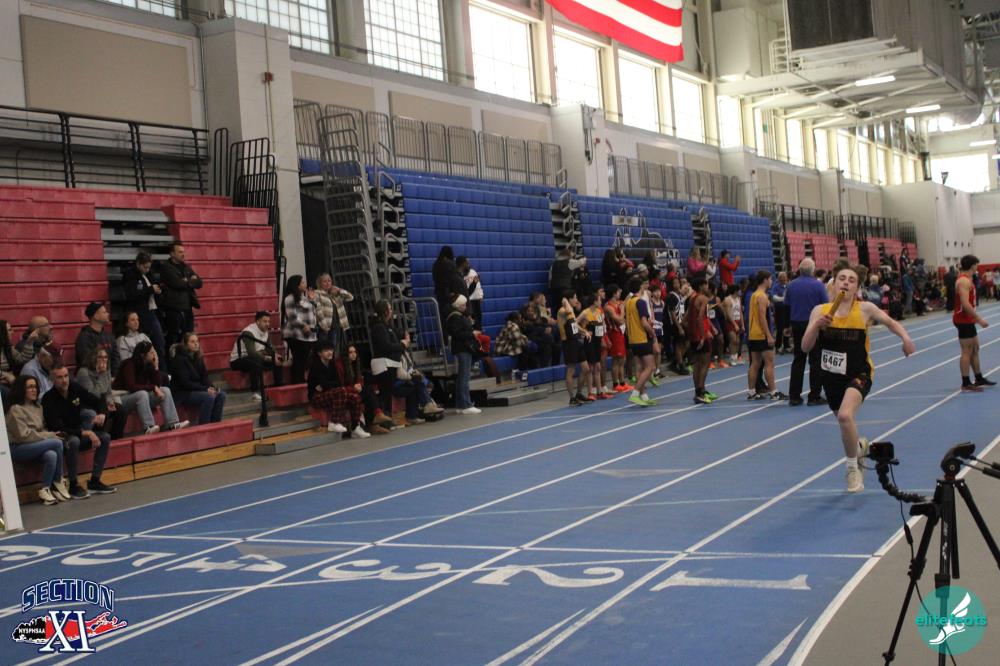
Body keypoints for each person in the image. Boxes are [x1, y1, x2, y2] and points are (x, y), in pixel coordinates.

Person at [802, 265, 916, 493]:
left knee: (845, 415)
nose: (846, 282)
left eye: (851, 280)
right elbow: (805, 347)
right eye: (841, 278)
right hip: (831, 376)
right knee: (845, 423)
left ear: (857, 287)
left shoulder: (865, 309)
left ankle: (852, 469)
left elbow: (891, 322)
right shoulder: (819, 311)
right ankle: (859, 448)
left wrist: (905, 338)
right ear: (834, 284)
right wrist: (816, 326)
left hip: (859, 373)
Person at [42, 364, 115, 498]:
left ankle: (94, 481)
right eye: (59, 377)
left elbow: (98, 401)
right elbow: (58, 427)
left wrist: (102, 413)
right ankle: (73, 484)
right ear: (52, 380)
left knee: (105, 437)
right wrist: (85, 433)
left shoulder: (74, 388)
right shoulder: (48, 399)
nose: (64, 380)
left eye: (66, 376)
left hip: (79, 432)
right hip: (60, 439)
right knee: (74, 441)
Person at [5, 375, 69, 505]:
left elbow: (41, 429)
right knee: (57, 442)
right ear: (21, 389)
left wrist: (50, 434)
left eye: (35, 387)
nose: (34, 390)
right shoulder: (15, 409)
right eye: (30, 387)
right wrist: (50, 435)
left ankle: (45, 489)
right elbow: (23, 436)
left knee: (51, 455)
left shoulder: (38, 407)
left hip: (34, 445)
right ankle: (58, 481)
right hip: (17, 447)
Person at [113, 341, 190, 432]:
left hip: (140, 398)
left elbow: (157, 385)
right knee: (142, 394)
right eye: (151, 352)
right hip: (122, 398)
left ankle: (172, 423)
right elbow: (131, 387)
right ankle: (149, 427)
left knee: (165, 390)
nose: (154, 354)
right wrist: (153, 387)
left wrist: (156, 367)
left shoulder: (148, 365)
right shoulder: (129, 364)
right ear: (143, 355)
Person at [784, 258, 828, 407]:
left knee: (798, 359)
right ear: (813, 270)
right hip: (813, 325)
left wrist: (787, 325)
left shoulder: (791, 285)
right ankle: (814, 396)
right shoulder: (818, 285)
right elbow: (825, 306)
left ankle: (794, 396)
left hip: (796, 324)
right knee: (815, 360)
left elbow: (786, 306)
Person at [308, 341, 369, 437]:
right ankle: (334, 422)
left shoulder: (332, 364)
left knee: (354, 397)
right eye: (326, 350)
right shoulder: (315, 366)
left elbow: (337, 383)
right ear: (319, 353)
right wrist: (327, 385)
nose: (330, 352)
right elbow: (326, 384)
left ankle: (355, 427)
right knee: (342, 391)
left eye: (331, 350)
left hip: (329, 393)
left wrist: (325, 385)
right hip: (316, 397)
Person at [953, 255, 995, 392]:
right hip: (963, 319)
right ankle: (965, 382)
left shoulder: (967, 279)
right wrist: (979, 319)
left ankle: (978, 378)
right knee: (967, 351)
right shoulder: (963, 281)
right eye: (976, 264)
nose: (977, 267)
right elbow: (965, 304)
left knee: (975, 348)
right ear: (972, 266)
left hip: (967, 319)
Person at [122, 251, 167, 368]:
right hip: (140, 313)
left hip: (152, 311)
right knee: (146, 346)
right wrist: (150, 290)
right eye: (145, 267)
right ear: (138, 264)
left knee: (159, 342)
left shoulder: (149, 275)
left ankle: (161, 371)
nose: (147, 269)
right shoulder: (130, 275)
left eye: (149, 267)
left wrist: (158, 291)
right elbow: (131, 294)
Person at [170, 333, 227, 425]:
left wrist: (212, 388)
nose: (196, 344)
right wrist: (205, 389)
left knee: (221, 395)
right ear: (185, 344)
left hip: (196, 389)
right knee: (209, 397)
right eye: (192, 342)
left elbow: (205, 377)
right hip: (183, 393)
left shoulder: (198, 358)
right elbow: (185, 383)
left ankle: (215, 425)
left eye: (197, 341)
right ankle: (204, 426)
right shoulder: (179, 359)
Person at [747, 271, 786, 401]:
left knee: (755, 363)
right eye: (770, 279)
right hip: (762, 334)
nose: (771, 282)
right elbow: (762, 317)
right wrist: (769, 335)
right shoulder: (762, 296)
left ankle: (751, 391)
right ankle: (774, 392)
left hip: (753, 334)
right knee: (769, 363)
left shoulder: (753, 295)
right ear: (765, 280)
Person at [338, 344, 394, 434]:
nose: (353, 354)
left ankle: (374, 424)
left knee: (369, 392)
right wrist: (353, 388)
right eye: (350, 352)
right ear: (345, 354)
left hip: (355, 390)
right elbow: (340, 383)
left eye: (355, 352)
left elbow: (359, 378)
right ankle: (376, 416)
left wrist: (359, 385)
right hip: (345, 392)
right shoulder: (340, 365)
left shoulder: (356, 363)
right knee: (368, 392)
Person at [230, 311, 284, 401]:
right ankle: (255, 392)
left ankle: (278, 388)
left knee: (278, 360)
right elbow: (251, 352)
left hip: (255, 357)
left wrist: (275, 356)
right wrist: (268, 358)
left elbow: (270, 348)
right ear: (258, 322)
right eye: (265, 321)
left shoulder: (265, 331)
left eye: (268, 321)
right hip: (238, 360)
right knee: (255, 360)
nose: (267, 324)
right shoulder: (248, 332)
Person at [76, 349, 127, 440]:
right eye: (100, 357)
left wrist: (110, 402)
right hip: (88, 405)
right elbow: (93, 395)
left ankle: (116, 439)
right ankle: (100, 438)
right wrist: (101, 375)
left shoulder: (106, 370)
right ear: (93, 358)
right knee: (102, 411)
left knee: (120, 410)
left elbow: (108, 392)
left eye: (105, 357)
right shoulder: (83, 372)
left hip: (102, 402)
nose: (103, 360)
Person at [160, 242, 203, 348]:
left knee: (189, 337)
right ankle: (172, 357)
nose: (183, 254)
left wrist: (186, 280)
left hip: (187, 308)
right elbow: (177, 283)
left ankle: (187, 357)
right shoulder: (166, 267)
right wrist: (190, 280)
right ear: (172, 254)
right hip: (174, 309)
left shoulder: (186, 267)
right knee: (174, 338)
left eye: (183, 252)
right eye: (180, 252)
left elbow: (199, 282)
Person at [624, 276, 658, 407]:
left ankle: (643, 396)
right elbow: (644, 323)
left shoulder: (628, 302)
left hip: (632, 339)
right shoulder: (641, 302)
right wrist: (652, 331)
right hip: (642, 338)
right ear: (640, 287)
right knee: (650, 366)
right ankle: (635, 393)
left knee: (639, 367)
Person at [445, 295, 482, 414]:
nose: (465, 306)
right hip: (462, 348)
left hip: (463, 348)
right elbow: (457, 334)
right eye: (463, 305)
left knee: (462, 377)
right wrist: (472, 334)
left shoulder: (458, 316)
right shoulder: (455, 317)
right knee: (464, 377)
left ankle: (461, 405)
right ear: (458, 305)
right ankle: (466, 404)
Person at [282, 274, 318, 384]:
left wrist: (312, 300)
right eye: (302, 282)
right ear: (296, 285)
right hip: (296, 334)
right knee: (299, 360)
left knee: (305, 360)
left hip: (308, 334)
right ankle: (297, 382)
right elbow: (292, 316)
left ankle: (301, 381)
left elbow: (312, 312)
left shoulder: (304, 297)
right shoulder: (290, 298)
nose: (305, 284)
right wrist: (303, 325)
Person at [557, 290, 591, 406]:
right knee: (571, 370)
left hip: (577, 341)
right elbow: (567, 312)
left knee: (586, 369)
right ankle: (571, 398)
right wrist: (566, 302)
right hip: (569, 343)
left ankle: (579, 393)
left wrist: (584, 332)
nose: (577, 300)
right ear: (569, 299)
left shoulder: (570, 310)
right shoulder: (563, 311)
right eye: (575, 298)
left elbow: (574, 325)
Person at [686, 278, 715, 404]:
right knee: (705, 363)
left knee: (697, 364)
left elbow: (686, 317)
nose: (708, 287)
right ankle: (701, 392)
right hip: (700, 334)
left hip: (693, 335)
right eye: (706, 284)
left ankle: (698, 392)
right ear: (701, 286)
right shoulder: (704, 299)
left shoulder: (692, 298)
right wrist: (703, 336)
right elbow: (700, 318)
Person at [579, 291, 612, 400]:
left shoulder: (599, 312)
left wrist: (602, 339)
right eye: (599, 300)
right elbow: (574, 323)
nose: (601, 301)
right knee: (590, 367)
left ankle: (599, 391)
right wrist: (584, 332)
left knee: (598, 367)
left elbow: (601, 327)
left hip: (597, 342)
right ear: (594, 301)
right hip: (589, 342)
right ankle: (590, 393)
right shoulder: (585, 312)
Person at [75, 302, 120, 376]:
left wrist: (114, 376)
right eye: (104, 312)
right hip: (91, 377)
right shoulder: (84, 337)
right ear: (96, 316)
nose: (108, 314)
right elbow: (87, 361)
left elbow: (116, 359)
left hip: (108, 377)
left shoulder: (109, 336)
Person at [313, 273, 354, 354]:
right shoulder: (317, 293)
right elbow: (318, 310)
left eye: (329, 281)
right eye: (325, 281)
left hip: (335, 326)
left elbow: (350, 297)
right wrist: (324, 326)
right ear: (320, 283)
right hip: (323, 327)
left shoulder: (334, 293)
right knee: (323, 349)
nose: (328, 283)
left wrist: (339, 290)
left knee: (333, 349)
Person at [603, 284, 630, 392]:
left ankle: (622, 382)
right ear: (614, 293)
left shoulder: (619, 303)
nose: (620, 293)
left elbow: (623, 319)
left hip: (620, 333)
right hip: (614, 334)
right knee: (616, 359)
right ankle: (615, 384)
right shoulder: (608, 307)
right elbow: (619, 319)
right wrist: (622, 310)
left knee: (623, 358)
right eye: (618, 292)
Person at [433, 246, 468, 324]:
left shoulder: (435, 265)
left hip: (440, 295)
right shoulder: (450, 264)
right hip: (451, 295)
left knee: (443, 319)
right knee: (455, 318)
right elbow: (453, 279)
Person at [549, 248, 586, 312]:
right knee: (566, 307)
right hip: (565, 288)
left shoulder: (554, 263)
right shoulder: (569, 262)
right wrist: (583, 258)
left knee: (559, 307)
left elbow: (550, 277)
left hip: (555, 288)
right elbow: (581, 262)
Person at [722, 285, 744, 366]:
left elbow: (740, 312)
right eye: (739, 290)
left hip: (738, 321)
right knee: (733, 340)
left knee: (738, 341)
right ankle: (732, 358)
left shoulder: (739, 299)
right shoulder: (728, 300)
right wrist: (734, 324)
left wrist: (742, 324)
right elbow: (728, 314)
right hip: (730, 322)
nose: (740, 292)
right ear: (735, 291)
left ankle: (736, 357)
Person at [771, 272, 790, 353]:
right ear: (779, 278)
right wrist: (784, 298)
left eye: (785, 277)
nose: (784, 278)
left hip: (787, 308)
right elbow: (774, 297)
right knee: (780, 328)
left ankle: (786, 345)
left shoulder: (788, 286)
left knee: (787, 327)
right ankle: (778, 346)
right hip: (779, 309)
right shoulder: (776, 286)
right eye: (782, 277)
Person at [0, 319, 16, 407]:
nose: (12, 332)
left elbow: (21, 359)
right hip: (4, 382)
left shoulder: (8, 348)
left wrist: (29, 343)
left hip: (7, 381)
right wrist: (6, 375)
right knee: (7, 392)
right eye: (9, 330)